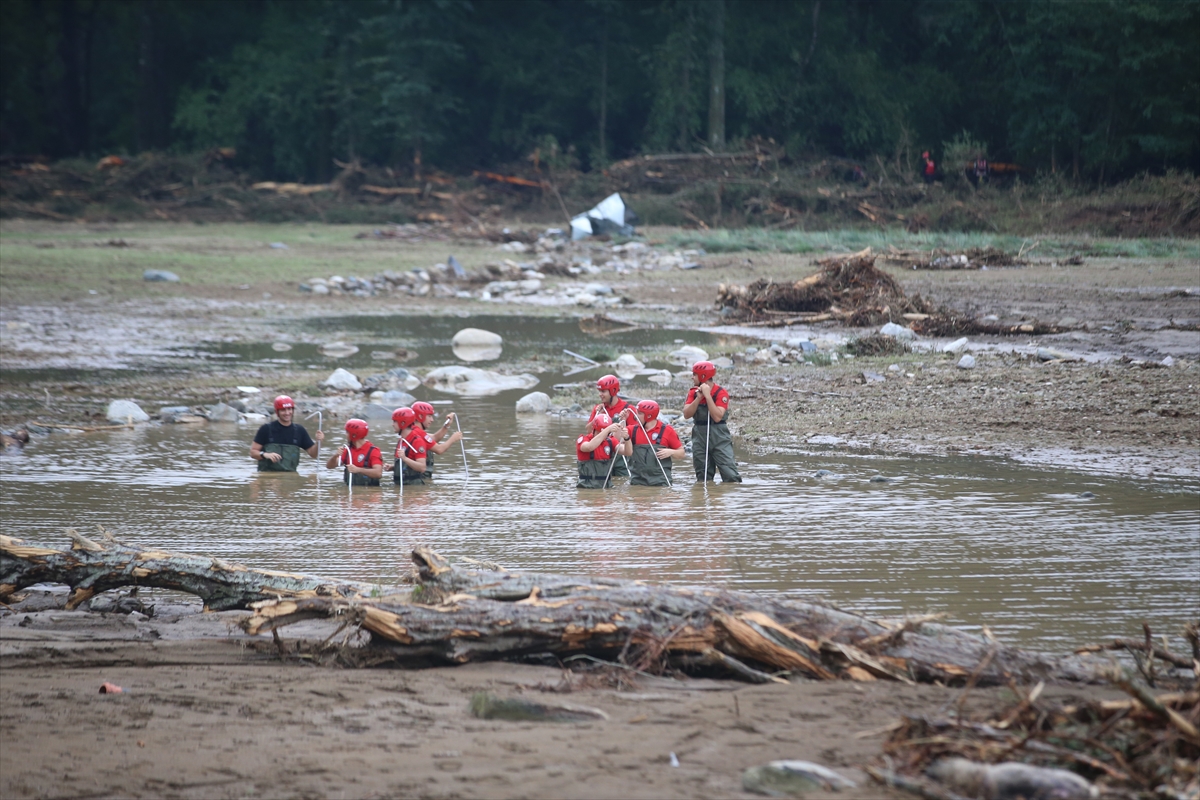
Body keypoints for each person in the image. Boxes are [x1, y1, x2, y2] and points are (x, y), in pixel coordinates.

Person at [682, 361, 742, 483]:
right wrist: (698, 398)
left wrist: (708, 396)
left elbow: (717, 417)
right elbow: (687, 414)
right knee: (702, 476)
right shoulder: (693, 393)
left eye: (695, 374)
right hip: (699, 435)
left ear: (703, 376)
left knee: (730, 475)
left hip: (719, 435)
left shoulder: (721, 392)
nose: (692, 377)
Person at [251, 395, 324, 471]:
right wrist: (265, 454)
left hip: (290, 478)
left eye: (289, 409)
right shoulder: (266, 429)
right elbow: (253, 453)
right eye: (283, 410)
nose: (287, 413)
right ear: (277, 412)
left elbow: (313, 454)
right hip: (268, 477)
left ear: (292, 410)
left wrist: (318, 442)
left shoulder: (300, 430)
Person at [623, 400, 684, 486]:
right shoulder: (632, 430)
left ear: (649, 416)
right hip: (637, 482)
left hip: (661, 482)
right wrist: (622, 420)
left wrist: (671, 452)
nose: (636, 416)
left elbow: (681, 453)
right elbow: (616, 438)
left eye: (640, 413)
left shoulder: (667, 431)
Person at [588, 374, 632, 478]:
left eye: (603, 391)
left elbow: (635, 433)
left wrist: (624, 421)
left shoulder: (627, 409)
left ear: (613, 391)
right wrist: (597, 416)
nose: (600, 394)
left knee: (624, 481)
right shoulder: (598, 408)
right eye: (599, 391)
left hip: (621, 455)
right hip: (602, 454)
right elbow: (589, 430)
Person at [576, 413, 630, 489]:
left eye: (606, 433)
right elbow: (589, 447)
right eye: (599, 432)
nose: (603, 435)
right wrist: (607, 429)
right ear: (593, 429)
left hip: (606, 487)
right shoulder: (583, 440)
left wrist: (627, 438)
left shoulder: (611, 441)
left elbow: (628, 452)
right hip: (587, 487)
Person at [411, 401, 463, 480]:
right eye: (429, 416)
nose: (432, 420)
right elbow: (439, 450)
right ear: (420, 416)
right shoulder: (418, 433)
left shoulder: (413, 431)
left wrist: (447, 425)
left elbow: (434, 438)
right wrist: (453, 439)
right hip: (417, 480)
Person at [325, 418, 383, 486]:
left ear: (354, 435)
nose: (345, 435)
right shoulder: (347, 450)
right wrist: (335, 456)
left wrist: (358, 470)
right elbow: (329, 466)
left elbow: (378, 473)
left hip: (368, 493)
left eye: (347, 432)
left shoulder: (373, 451)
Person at [389, 407, 429, 486]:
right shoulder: (401, 440)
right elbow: (405, 466)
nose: (392, 424)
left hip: (413, 488)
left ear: (403, 423)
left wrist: (405, 458)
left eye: (395, 421)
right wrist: (393, 467)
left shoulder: (417, 441)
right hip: (400, 485)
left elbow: (422, 467)